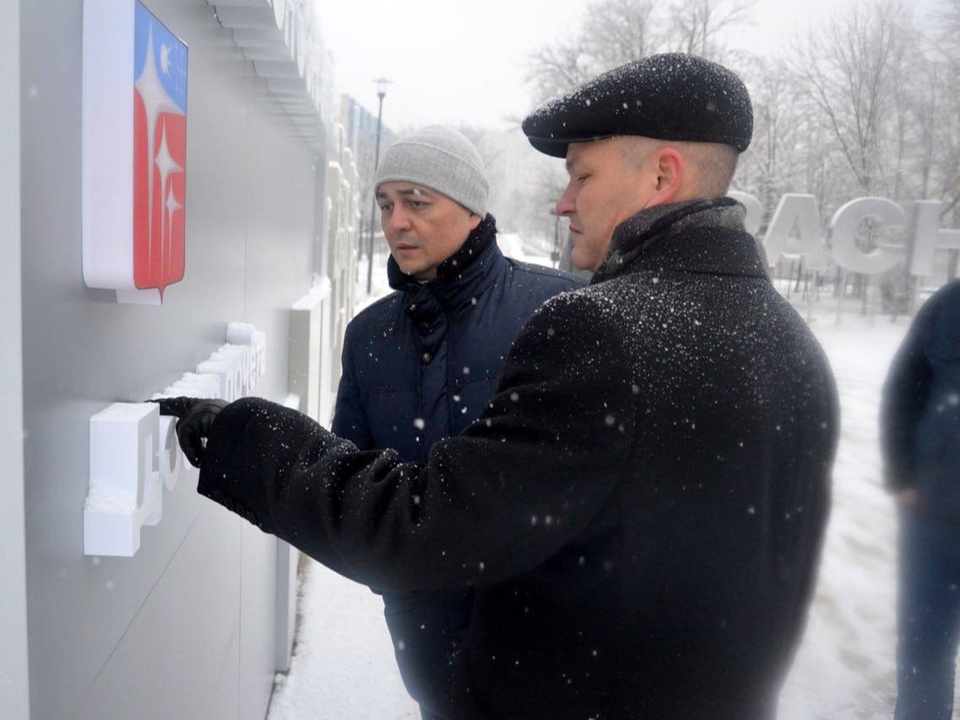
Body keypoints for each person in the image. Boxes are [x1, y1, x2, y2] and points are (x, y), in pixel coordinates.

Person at [161, 53, 839, 719]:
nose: (563, 200)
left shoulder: (593, 329)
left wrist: (242, 436)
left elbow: (426, 524)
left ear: (663, 175)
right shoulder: (789, 342)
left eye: (582, 175)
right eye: (386, 203)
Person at [331, 125, 581, 719]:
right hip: (425, 641)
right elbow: (351, 489)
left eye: (417, 201)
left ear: (472, 211)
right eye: (386, 204)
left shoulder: (557, 310)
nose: (397, 221)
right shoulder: (369, 336)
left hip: (548, 643)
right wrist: (400, 580)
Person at [881, 279, 960, 720]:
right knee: (924, 647)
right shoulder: (949, 305)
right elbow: (903, 390)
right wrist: (902, 475)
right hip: (933, 519)